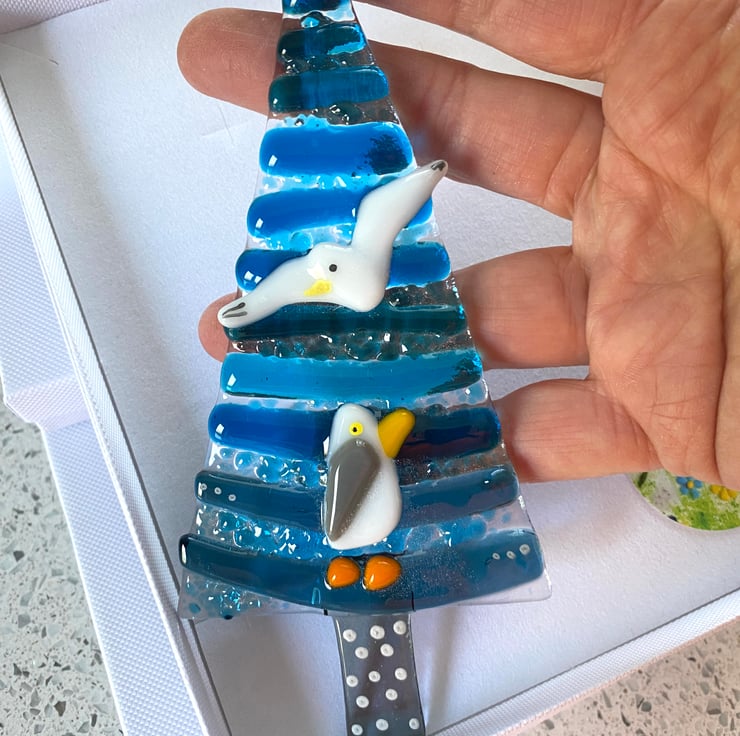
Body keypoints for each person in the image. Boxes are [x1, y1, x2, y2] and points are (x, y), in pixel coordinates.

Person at [176, 1, 740, 489]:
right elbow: (313, 268)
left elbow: (364, 229)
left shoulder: (353, 258)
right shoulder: (339, 263)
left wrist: (426, 177)